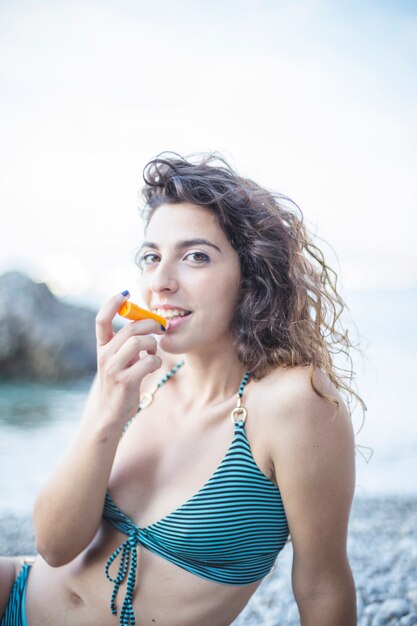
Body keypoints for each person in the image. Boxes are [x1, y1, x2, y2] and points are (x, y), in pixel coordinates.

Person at [0, 152, 365, 626]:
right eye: (152, 257)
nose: (160, 282)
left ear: (251, 273)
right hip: (18, 594)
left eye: (195, 256)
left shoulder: (295, 403)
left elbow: (321, 584)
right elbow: (53, 545)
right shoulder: (142, 369)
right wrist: (106, 410)